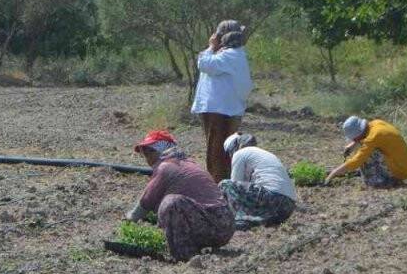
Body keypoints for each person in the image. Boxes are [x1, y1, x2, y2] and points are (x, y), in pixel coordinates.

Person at [125, 130, 234, 261]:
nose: (147, 157)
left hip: (215, 222)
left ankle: (184, 254)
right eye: (144, 153)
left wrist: (129, 221)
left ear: (162, 150)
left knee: (171, 203)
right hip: (223, 224)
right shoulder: (189, 163)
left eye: (150, 151)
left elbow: (145, 202)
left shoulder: (165, 167)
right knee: (165, 206)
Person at [191, 20, 253, 182]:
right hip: (227, 109)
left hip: (218, 110)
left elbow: (203, 64)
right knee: (226, 149)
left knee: (216, 151)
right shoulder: (235, 54)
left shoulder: (229, 55)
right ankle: (226, 183)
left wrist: (211, 46)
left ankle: (217, 185)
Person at [219, 132, 297, 230]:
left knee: (225, 184)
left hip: (272, 198)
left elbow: (234, 185)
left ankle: (239, 219)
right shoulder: (264, 154)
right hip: (287, 208)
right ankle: (253, 220)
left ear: (233, 147)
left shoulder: (239, 154)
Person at [324, 116, 407, 188]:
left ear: (359, 134)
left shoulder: (373, 138)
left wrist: (334, 173)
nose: (355, 140)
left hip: (400, 172)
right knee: (364, 148)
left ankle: (381, 182)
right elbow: (365, 138)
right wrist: (352, 146)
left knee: (366, 153)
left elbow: (356, 161)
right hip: (404, 164)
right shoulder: (376, 123)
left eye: (355, 138)